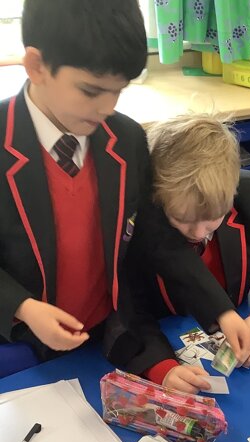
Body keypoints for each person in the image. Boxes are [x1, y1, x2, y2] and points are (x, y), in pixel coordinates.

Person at [0, 0, 204, 391]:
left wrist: (220, 313)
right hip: (19, 345)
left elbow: (149, 243)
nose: (107, 108)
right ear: (36, 66)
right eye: (91, 90)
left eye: (118, 91)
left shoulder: (125, 138)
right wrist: (23, 307)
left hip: (103, 338)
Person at [133, 113, 250, 369]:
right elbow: (128, 312)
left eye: (211, 219)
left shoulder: (248, 198)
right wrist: (161, 366)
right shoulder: (143, 223)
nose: (197, 233)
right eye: (182, 219)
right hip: (160, 340)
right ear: (158, 199)